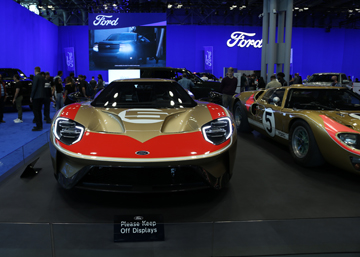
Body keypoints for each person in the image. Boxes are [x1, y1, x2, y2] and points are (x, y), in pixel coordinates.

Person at [30, 66, 45, 131]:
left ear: (35, 70)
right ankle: (40, 125)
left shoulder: (36, 77)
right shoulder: (42, 77)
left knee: (36, 111)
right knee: (39, 111)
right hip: (42, 96)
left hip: (36, 96)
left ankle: (38, 126)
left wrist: (31, 96)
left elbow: (34, 87)